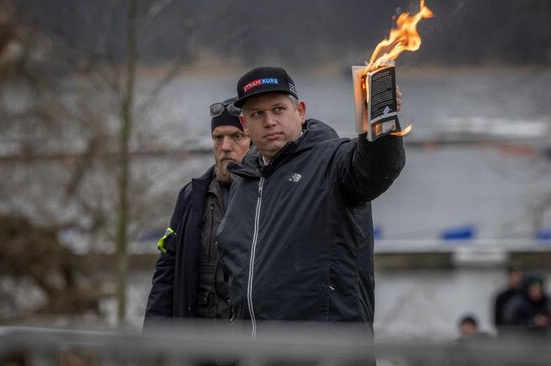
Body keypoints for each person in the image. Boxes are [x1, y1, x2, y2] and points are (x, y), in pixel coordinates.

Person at [215, 66, 405, 334]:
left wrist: (381, 121)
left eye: (278, 109)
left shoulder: (333, 162)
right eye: (258, 114)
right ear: (245, 125)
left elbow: (376, 168)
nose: (269, 121)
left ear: (300, 112)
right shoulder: (244, 182)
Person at [144, 97, 251, 320]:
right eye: (217, 138)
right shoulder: (191, 196)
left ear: (254, 139)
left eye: (236, 136)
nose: (225, 147)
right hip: (197, 340)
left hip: (249, 342)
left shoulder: (268, 192)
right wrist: (153, 340)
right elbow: (166, 271)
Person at [492, 266, 523, 334]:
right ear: (509, 278)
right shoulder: (501, 297)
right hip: (506, 333)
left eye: (518, 277)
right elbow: (497, 320)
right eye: (513, 277)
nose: (516, 280)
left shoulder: (525, 296)